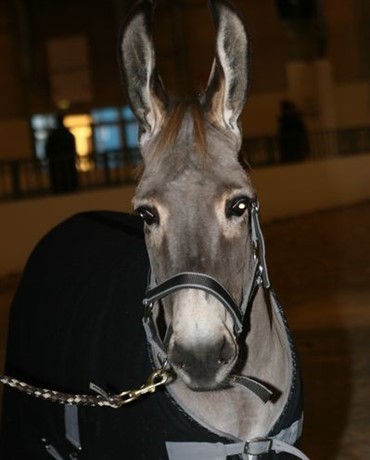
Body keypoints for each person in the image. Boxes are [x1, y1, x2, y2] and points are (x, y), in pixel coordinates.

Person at [45, 114, 78, 193]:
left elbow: (48, 150)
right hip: (66, 166)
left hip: (58, 167)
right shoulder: (68, 135)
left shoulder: (53, 136)